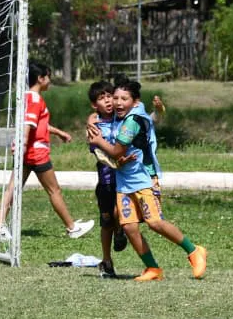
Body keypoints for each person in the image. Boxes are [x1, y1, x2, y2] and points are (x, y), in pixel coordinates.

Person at [88, 78, 207, 281]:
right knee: (129, 226)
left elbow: (116, 151)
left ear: (135, 102)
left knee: (154, 222)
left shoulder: (132, 121)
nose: (117, 103)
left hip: (145, 179)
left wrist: (99, 141)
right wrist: (91, 119)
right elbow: (99, 116)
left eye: (123, 99)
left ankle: (194, 250)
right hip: (124, 182)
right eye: (115, 98)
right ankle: (153, 268)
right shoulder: (118, 114)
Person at [0, 61, 94, 242]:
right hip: (35, 153)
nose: (50, 81)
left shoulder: (25, 97)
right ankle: (72, 228)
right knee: (54, 191)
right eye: (48, 77)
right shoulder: (36, 99)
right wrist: (23, 145)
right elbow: (28, 125)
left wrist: (59, 132)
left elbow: (38, 124)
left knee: (12, 188)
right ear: (40, 78)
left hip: (26, 152)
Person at [85, 80, 126, 278]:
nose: (108, 101)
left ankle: (120, 231)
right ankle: (106, 260)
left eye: (110, 96)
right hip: (106, 180)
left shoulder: (122, 117)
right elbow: (98, 152)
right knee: (106, 222)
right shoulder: (94, 126)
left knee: (120, 210)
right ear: (95, 105)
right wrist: (115, 161)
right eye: (102, 98)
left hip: (124, 178)